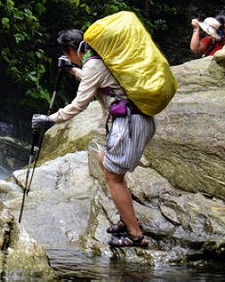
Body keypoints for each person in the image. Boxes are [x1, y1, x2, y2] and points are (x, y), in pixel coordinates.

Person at [31, 29, 156, 248]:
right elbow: (97, 80)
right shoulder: (98, 60)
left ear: (72, 50)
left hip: (129, 123)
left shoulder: (93, 65)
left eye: (67, 54)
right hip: (135, 120)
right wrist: (72, 70)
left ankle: (135, 234)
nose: (68, 58)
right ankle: (128, 219)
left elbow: (79, 103)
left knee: (113, 176)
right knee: (103, 160)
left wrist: (50, 119)